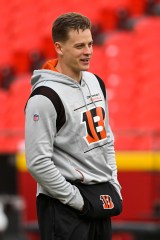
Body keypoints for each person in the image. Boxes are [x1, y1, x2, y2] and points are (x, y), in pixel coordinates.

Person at [25, 12, 122, 240]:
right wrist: (76, 200)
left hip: (99, 200)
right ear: (59, 48)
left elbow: (105, 139)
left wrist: (114, 184)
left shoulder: (96, 82)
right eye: (79, 46)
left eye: (90, 44)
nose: (88, 51)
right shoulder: (44, 97)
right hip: (64, 207)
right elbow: (37, 162)